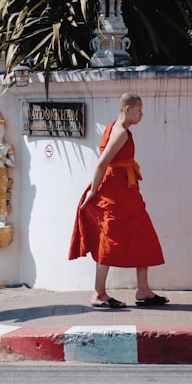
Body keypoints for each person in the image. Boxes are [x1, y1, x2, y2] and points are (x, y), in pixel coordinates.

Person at [69, 93, 168, 308]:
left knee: (143, 234)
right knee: (110, 238)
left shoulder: (113, 126)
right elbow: (101, 164)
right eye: (139, 110)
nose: (142, 114)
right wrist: (92, 192)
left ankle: (143, 290)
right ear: (127, 109)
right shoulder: (121, 132)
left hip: (125, 191)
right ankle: (99, 293)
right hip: (115, 193)